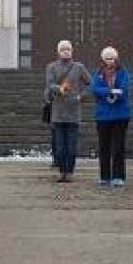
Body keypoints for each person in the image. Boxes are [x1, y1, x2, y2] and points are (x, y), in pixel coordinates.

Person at [44, 40, 92, 183]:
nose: (66, 51)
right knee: (59, 147)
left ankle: (69, 171)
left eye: (68, 49)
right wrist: (59, 89)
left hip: (73, 112)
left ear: (72, 51)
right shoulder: (51, 67)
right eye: (63, 49)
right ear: (58, 52)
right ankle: (61, 171)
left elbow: (91, 83)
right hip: (58, 112)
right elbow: (50, 84)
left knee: (71, 146)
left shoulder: (79, 67)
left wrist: (82, 96)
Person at [92, 46, 131, 187]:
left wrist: (113, 95)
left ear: (116, 58)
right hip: (103, 115)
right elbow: (95, 89)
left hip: (120, 115)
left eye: (112, 58)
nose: (110, 61)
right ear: (103, 59)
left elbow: (124, 89)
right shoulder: (98, 73)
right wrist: (109, 92)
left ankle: (119, 176)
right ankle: (105, 176)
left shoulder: (123, 72)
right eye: (107, 58)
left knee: (118, 147)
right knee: (104, 147)